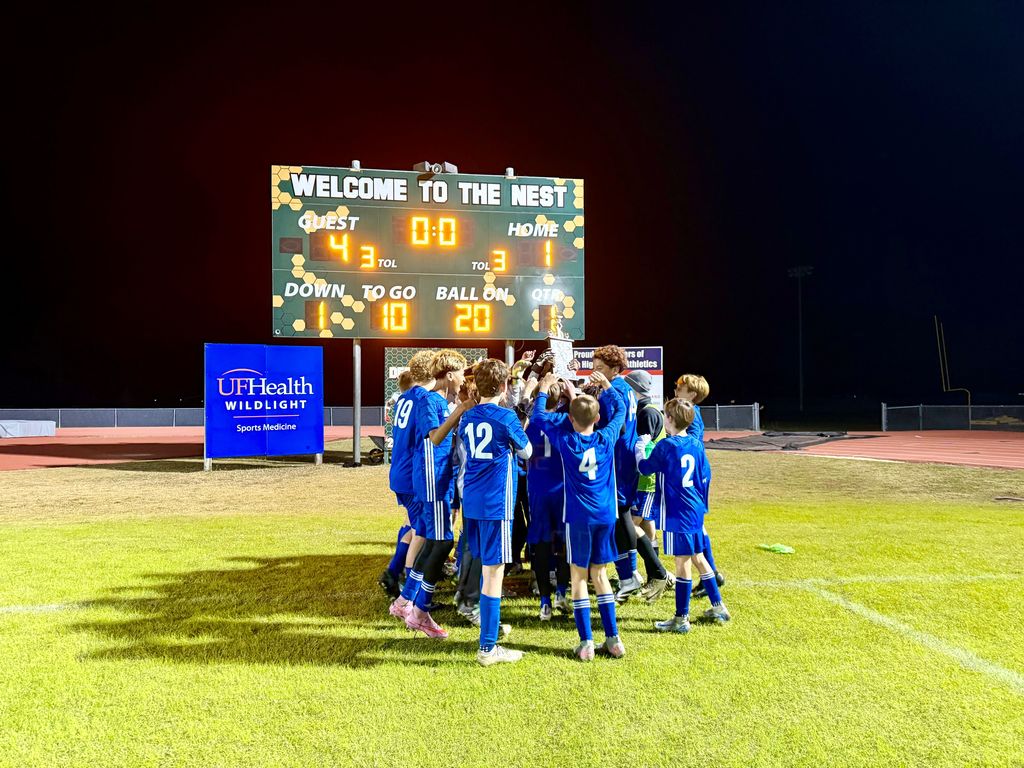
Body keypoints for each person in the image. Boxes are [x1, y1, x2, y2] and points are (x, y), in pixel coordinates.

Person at [529, 370, 627, 661]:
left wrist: (545, 389)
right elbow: (620, 409)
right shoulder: (606, 438)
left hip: (578, 517)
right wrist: (607, 388)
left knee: (579, 576)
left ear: (570, 420)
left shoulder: (567, 442)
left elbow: (539, 419)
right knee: (601, 574)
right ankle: (613, 639)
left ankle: (586, 642)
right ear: (597, 419)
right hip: (606, 516)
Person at [390, 350, 471, 639]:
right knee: (441, 541)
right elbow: (434, 436)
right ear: (449, 374)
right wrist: (461, 410)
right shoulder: (428, 400)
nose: (463, 379)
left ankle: (404, 601)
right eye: (461, 373)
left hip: (430, 477)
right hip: (431, 479)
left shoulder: (428, 399)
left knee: (427, 538)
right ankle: (419, 611)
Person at [459, 359, 533, 666]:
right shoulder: (505, 417)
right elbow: (527, 451)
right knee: (493, 574)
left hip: (472, 500)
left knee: (480, 564)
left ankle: (485, 623)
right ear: (503, 387)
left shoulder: (466, 417)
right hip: (495, 504)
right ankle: (488, 648)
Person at [635, 398, 730, 633]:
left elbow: (645, 468)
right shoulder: (697, 444)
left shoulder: (667, 446)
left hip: (678, 512)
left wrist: (640, 449)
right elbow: (705, 475)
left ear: (669, 419)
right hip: (695, 508)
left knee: (682, 563)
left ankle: (681, 618)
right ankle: (718, 606)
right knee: (698, 557)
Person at [590, 345, 670, 601]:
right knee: (619, 520)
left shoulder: (619, 389)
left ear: (614, 369)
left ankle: (650, 573)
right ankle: (631, 575)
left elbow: (621, 426)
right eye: (594, 366)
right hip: (621, 460)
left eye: (600, 368)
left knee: (621, 519)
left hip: (619, 462)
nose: (595, 372)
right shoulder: (620, 388)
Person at [379, 356, 433, 597]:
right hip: (412, 474)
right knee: (423, 529)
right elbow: (433, 435)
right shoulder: (422, 397)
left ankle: (394, 571)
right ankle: (407, 587)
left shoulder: (404, 398)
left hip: (401, 470)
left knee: (413, 524)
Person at [624, 370, 674, 603]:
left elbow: (642, 449)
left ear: (633, 388)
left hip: (646, 480)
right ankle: (657, 573)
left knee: (628, 526)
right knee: (647, 524)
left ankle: (658, 573)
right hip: (647, 480)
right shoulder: (650, 410)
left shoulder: (646, 413)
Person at [525, 379, 572, 620]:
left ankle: (545, 602)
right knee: (563, 544)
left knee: (542, 545)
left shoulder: (532, 422)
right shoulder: (566, 421)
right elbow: (578, 411)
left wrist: (539, 391)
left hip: (538, 492)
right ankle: (561, 593)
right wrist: (571, 393)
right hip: (562, 490)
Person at [674, 373, 725, 597]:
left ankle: (711, 574)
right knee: (697, 526)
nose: (676, 389)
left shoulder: (691, 414)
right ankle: (711, 574)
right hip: (695, 473)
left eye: (680, 387)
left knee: (696, 527)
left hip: (694, 476)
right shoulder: (689, 411)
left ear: (692, 394)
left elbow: (693, 443)